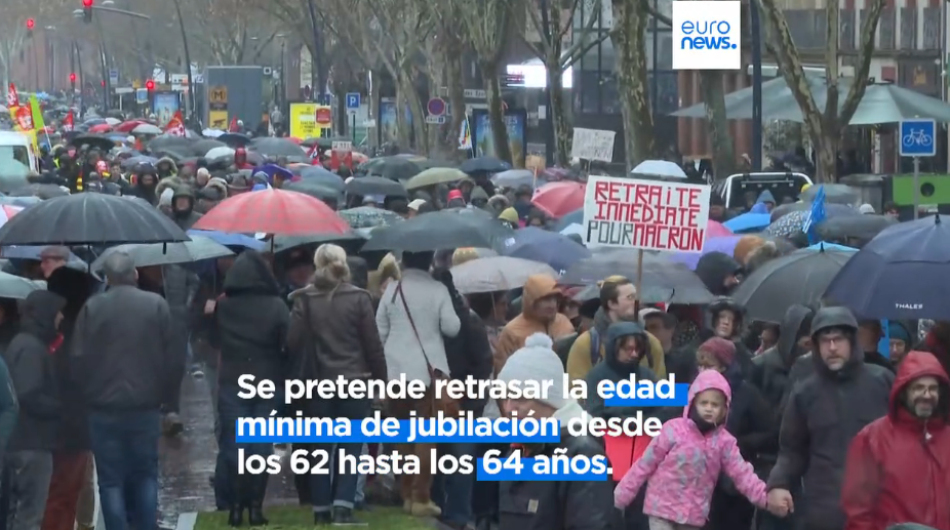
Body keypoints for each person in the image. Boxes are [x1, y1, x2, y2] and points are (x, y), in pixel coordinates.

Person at [70, 252, 178, 530]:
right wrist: (168, 400)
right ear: (135, 274)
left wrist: (87, 395)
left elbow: (78, 358)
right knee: (144, 475)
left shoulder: (92, 308)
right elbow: (172, 357)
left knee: (110, 479)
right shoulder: (156, 304)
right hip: (144, 405)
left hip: (102, 408)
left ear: (107, 278)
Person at [766, 307, 893, 530]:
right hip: (824, 507)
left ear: (852, 341)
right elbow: (791, 449)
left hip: (879, 502)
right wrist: (779, 484)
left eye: (838, 340)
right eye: (825, 341)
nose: (832, 348)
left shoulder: (882, 381)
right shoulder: (805, 392)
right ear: (816, 346)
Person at [287, 245, 386, 525]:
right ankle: (343, 508)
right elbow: (372, 345)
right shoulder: (359, 298)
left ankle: (320, 511)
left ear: (317, 264)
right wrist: (381, 382)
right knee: (350, 447)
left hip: (317, 383)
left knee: (319, 449)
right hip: (355, 382)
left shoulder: (303, 299)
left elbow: (292, 342)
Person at [613, 369, 773, 530]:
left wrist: (765, 497)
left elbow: (741, 473)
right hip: (661, 508)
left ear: (725, 409)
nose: (709, 408)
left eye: (715, 404)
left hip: (693, 514)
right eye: (704, 403)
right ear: (693, 403)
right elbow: (645, 464)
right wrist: (622, 495)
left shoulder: (724, 442)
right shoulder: (673, 430)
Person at [496, 333, 615, 530]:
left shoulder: (582, 454)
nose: (509, 408)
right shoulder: (518, 449)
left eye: (520, 399)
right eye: (505, 397)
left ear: (550, 401)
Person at [376, 250, 460, 517]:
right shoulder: (437, 290)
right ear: (429, 261)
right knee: (427, 436)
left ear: (404, 261)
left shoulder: (392, 289)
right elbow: (452, 327)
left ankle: (405, 494)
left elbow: (380, 330)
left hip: (396, 372)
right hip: (428, 373)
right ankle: (420, 497)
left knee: (402, 435)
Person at [212, 250, 289, 527]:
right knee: (261, 447)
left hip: (233, 382)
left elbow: (212, 339)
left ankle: (235, 507)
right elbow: (287, 342)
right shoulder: (277, 305)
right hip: (268, 381)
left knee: (235, 445)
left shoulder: (224, 305)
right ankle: (255, 507)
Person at [841, 351, 950, 530]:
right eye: (918, 388)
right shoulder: (872, 439)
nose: (927, 395)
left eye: (933, 389)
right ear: (903, 391)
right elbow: (858, 511)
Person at [3, 291, 66, 530]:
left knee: (14, 515)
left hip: (20, 442)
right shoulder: (31, 347)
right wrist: (58, 407)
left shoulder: (22, 343)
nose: (61, 317)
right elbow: (27, 393)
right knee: (29, 516)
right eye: (57, 311)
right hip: (31, 444)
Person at [495, 275, 574, 375]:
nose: (552, 305)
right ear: (531, 301)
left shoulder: (564, 322)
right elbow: (502, 372)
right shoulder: (512, 331)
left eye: (555, 299)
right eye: (546, 299)